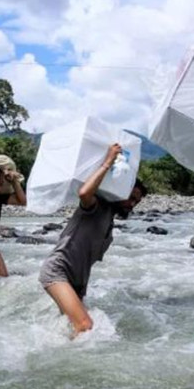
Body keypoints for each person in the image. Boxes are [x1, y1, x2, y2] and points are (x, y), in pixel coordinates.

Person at [39, 144, 147, 336]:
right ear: (120, 191)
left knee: (73, 328)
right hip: (57, 271)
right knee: (85, 327)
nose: (132, 205)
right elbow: (84, 193)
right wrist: (108, 162)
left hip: (77, 281)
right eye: (131, 198)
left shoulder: (109, 220)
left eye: (136, 202)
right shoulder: (96, 206)